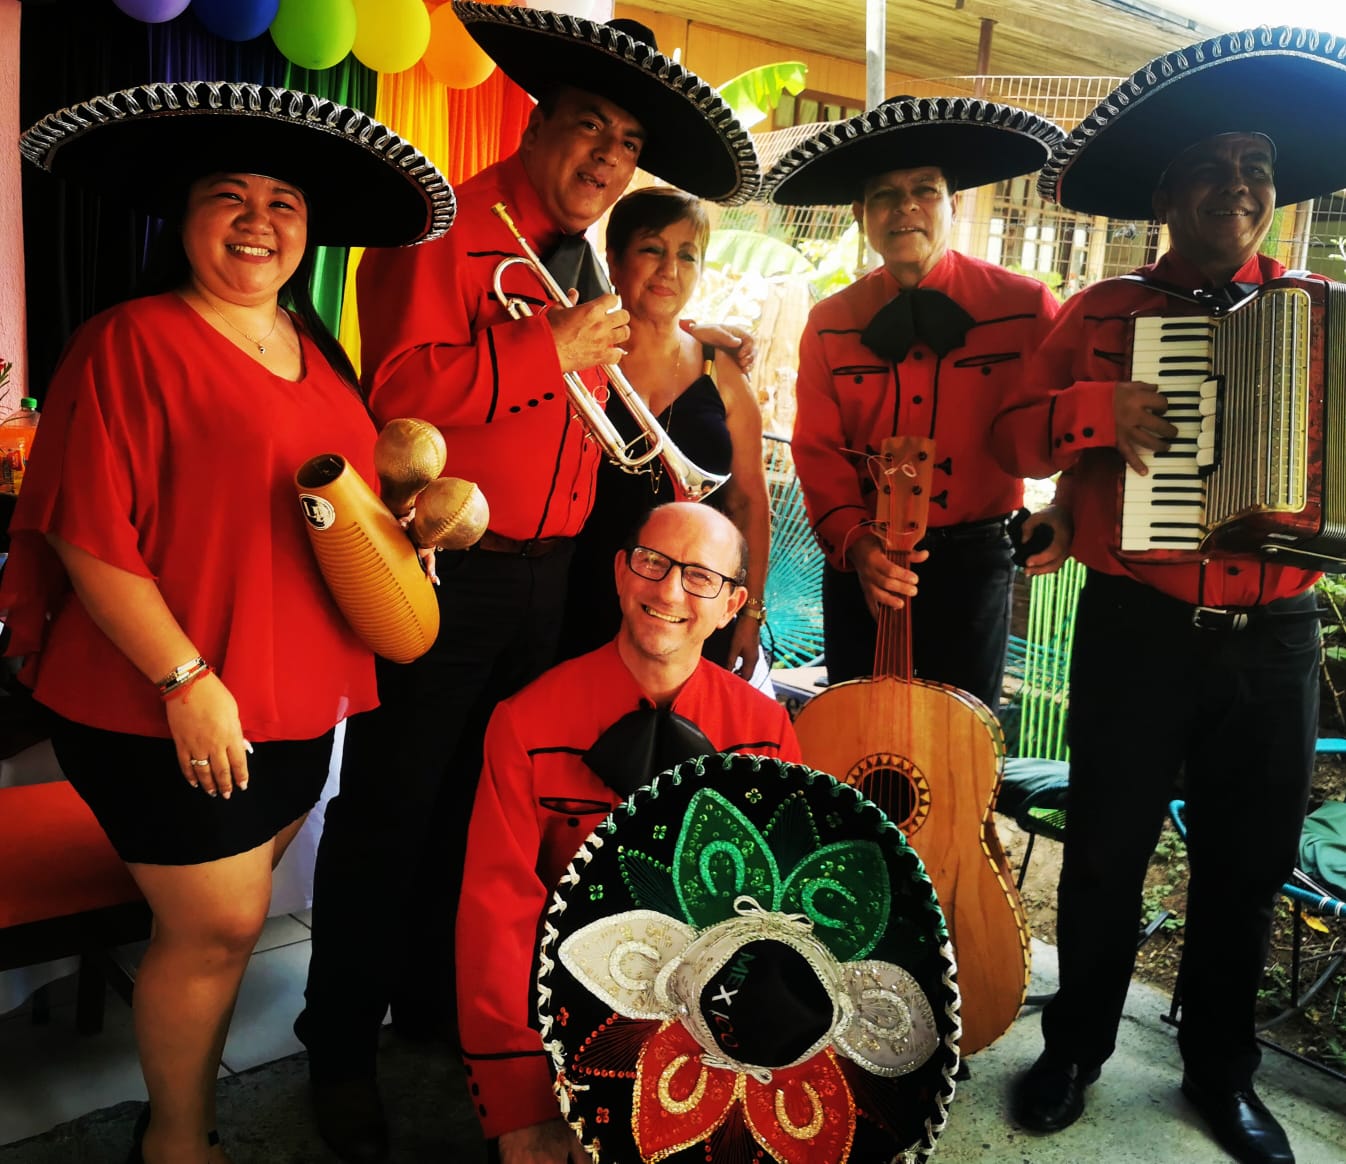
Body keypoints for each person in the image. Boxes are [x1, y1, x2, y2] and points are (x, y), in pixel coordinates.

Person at [294, 8, 761, 1161]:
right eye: (587, 131)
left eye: (624, 146)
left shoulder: (580, 256)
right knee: (392, 814)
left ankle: (433, 1007)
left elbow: (601, 372)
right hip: (450, 571)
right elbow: (396, 388)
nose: (605, 161)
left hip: (550, 583)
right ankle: (337, 1048)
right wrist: (538, 350)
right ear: (538, 121)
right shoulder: (439, 224)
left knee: (483, 819)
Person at [4, 82, 452, 1164]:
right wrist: (185, 680)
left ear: (307, 229)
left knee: (224, 918)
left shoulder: (318, 351)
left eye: (283, 202)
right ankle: (176, 1138)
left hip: (297, 694)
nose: (258, 220)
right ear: (184, 215)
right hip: (160, 696)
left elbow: (318, 514)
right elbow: (86, 536)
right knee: (218, 929)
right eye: (228, 195)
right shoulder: (129, 341)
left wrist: (398, 539)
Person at [991, 27, 1346, 1163]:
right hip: (1138, 628)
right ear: (1164, 192)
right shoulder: (1103, 309)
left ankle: (1217, 1072)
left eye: (1254, 165)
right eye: (1210, 163)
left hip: (1277, 634)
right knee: (1104, 847)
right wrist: (1096, 414)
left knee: (1243, 869)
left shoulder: (1318, 310)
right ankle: (1077, 1047)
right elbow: (1012, 430)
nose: (1236, 184)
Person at [456, 501, 802, 1162]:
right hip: (569, 1022)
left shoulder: (767, 733)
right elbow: (496, 918)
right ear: (620, 573)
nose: (670, 590)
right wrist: (522, 1105)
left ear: (733, 605)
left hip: (714, 1020)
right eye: (653, 563)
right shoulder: (524, 723)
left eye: (700, 576)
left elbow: (780, 922)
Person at [766, 96, 1066, 710]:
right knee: (859, 731)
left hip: (977, 562)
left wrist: (1069, 506)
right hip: (863, 559)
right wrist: (859, 546)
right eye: (883, 194)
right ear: (860, 214)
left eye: (924, 189)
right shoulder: (830, 322)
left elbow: (1076, 416)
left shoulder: (1026, 307)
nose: (905, 207)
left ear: (952, 203)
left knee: (960, 744)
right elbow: (818, 451)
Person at [556, 187, 771, 681]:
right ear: (613, 258)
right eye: (652, 249)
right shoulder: (577, 352)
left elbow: (749, 505)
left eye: (687, 255)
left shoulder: (726, 374)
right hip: (581, 593)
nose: (669, 270)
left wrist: (751, 615)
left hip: (692, 606)